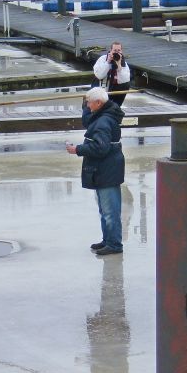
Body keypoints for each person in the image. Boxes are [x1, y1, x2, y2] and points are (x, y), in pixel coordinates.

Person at [66, 87, 125, 254]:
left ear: (98, 103)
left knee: (110, 211)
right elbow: (87, 121)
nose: (87, 105)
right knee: (105, 210)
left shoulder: (103, 122)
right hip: (105, 169)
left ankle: (114, 244)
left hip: (107, 170)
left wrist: (78, 149)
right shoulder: (102, 117)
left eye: (89, 103)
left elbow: (101, 148)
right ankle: (108, 240)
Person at [93, 41, 130, 107]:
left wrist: (119, 66)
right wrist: (108, 62)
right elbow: (99, 75)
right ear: (110, 50)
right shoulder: (103, 59)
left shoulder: (123, 62)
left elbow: (125, 80)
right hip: (101, 86)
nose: (116, 53)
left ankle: (116, 107)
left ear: (121, 51)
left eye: (119, 50)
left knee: (126, 85)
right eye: (115, 50)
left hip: (116, 88)